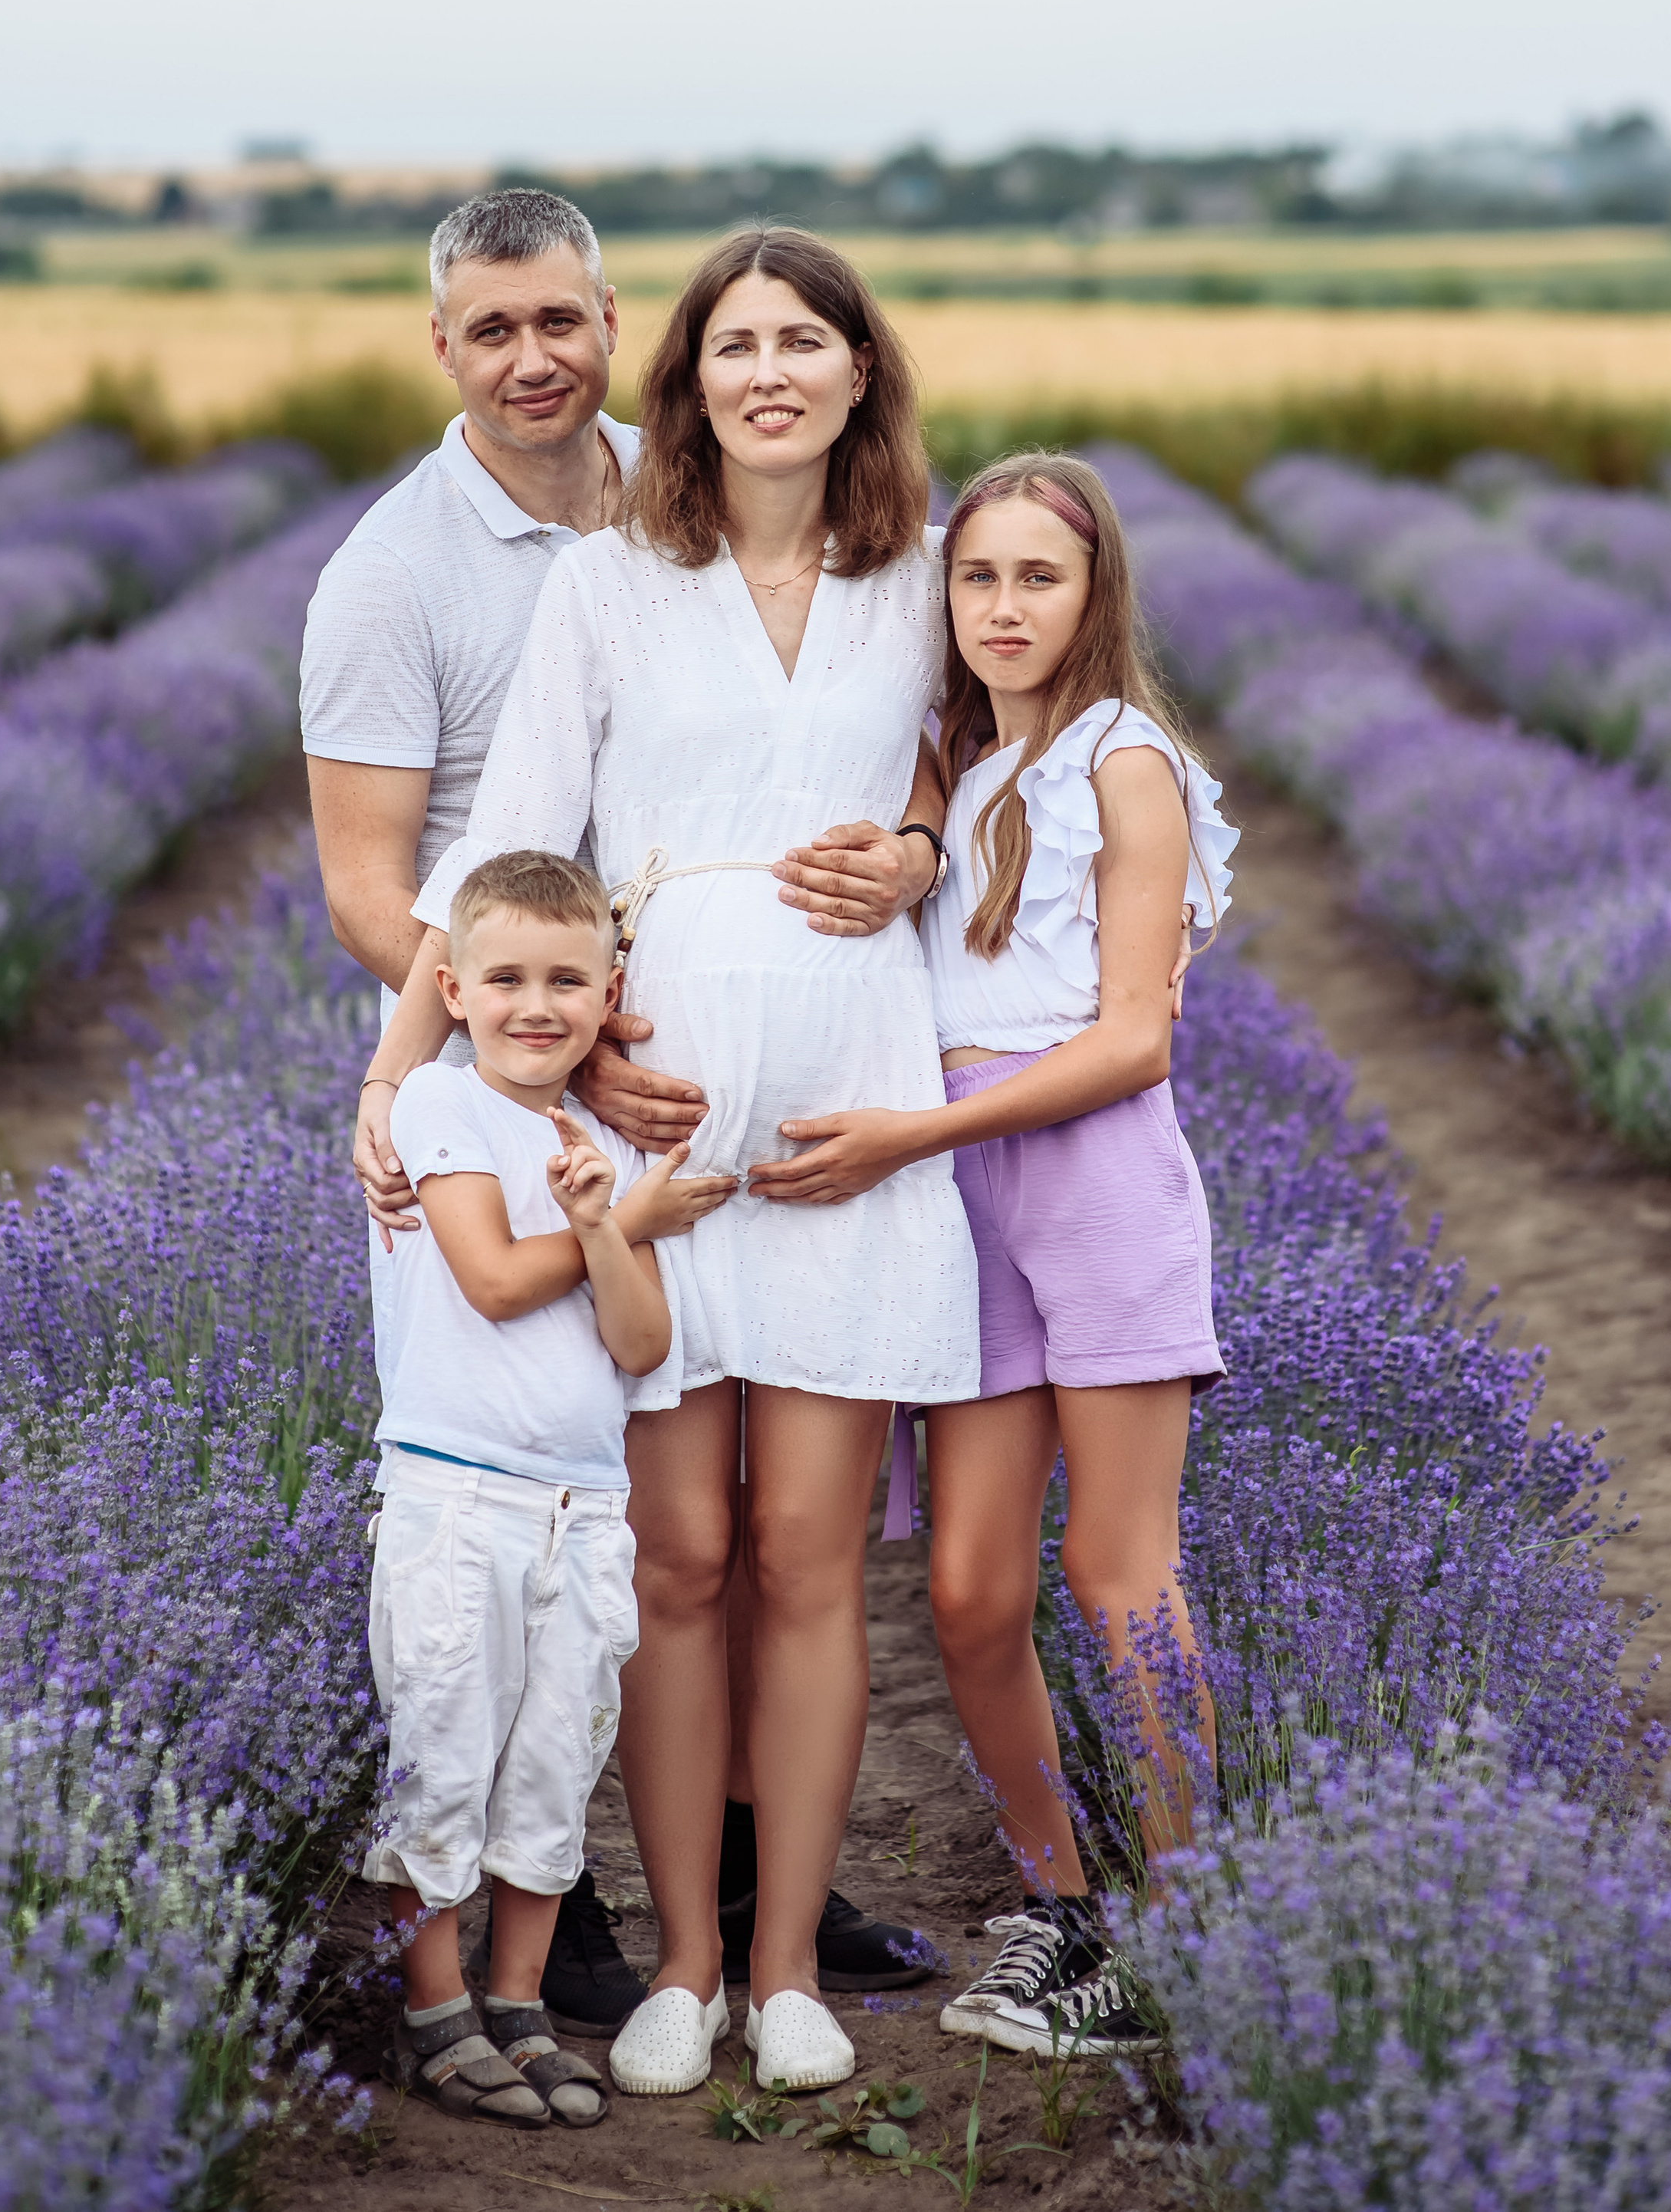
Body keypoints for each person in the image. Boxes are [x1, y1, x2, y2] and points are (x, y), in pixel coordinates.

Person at [357, 226, 982, 2098]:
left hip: (848, 1110)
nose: (770, 371)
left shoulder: (924, 575)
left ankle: (786, 1965)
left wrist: (927, 851)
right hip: (653, 1130)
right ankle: (677, 1963)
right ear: (687, 379)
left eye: (806, 341)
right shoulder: (614, 585)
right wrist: (401, 1082)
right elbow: (506, 865)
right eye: (735, 346)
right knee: (678, 1555)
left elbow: (992, 758)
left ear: (861, 371)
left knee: (809, 1557)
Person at [750, 452, 1235, 2059]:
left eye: (1039, 578)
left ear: (1094, 597)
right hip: (957, 1199)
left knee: (1116, 1573)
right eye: (977, 578)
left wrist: (910, 1138)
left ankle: (1185, 1931)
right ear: (940, 602)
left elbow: (1133, 1045)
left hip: (1084, 1182)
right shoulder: (948, 767)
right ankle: (1059, 1903)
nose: (1004, 606)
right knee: (964, 1594)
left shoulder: (1128, 767)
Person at [371, 848, 729, 2131]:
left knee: (548, 1768)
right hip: (460, 1497)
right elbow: (491, 1280)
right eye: (507, 976)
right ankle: (431, 2009)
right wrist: (625, 1219)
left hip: (586, 1507)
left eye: (566, 979)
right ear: (454, 988)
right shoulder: (439, 1103)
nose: (537, 1003)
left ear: (608, 988)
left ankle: (515, 2001)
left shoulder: (586, 1139)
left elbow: (638, 1345)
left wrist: (600, 1217)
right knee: (445, 1753)